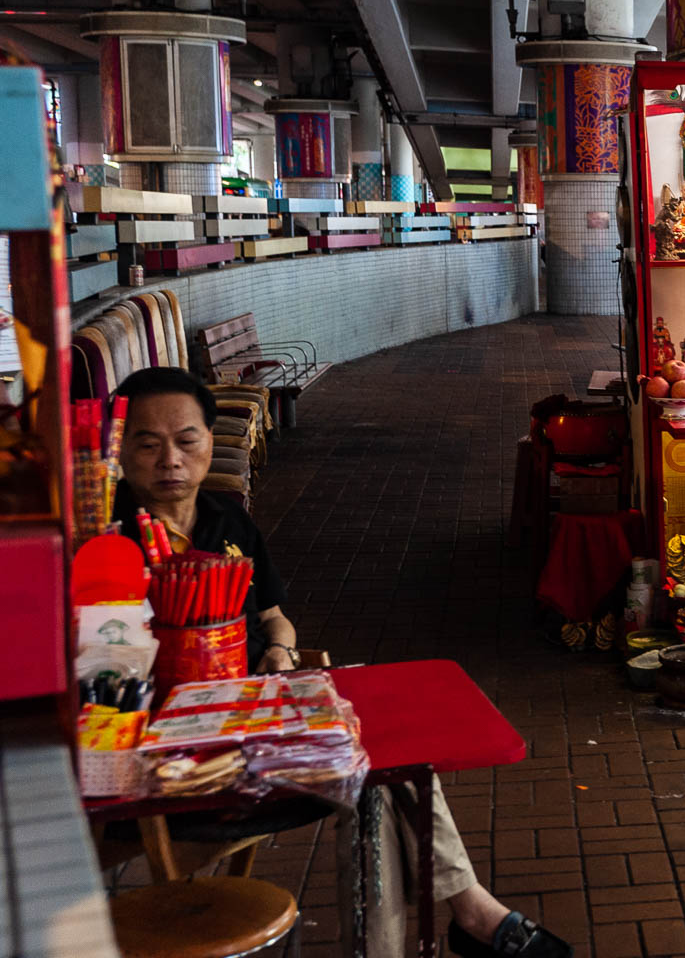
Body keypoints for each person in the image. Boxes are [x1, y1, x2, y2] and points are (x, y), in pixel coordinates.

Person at [111, 367, 573, 958]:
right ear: (119, 449)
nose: (169, 458)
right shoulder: (109, 537)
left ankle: (458, 920)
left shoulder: (229, 521)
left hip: (264, 719)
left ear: (209, 440)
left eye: (186, 439)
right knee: (373, 771)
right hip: (187, 765)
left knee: (375, 765)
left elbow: (276, 617)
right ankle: (475, 913)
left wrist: (278, 651)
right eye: (147, 443)